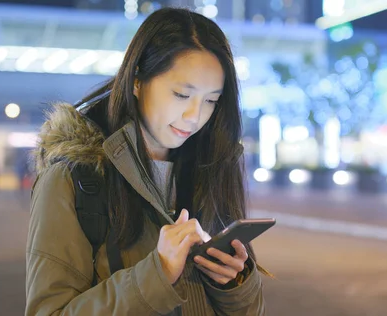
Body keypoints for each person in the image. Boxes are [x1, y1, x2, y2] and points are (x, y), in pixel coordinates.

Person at [26, 8, 268, 316]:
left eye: (210, 100)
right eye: (182, 94)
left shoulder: (210, 170)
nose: (195, 116)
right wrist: (157, 274)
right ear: (138, 80)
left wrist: (234, 282)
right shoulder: (73, 179)